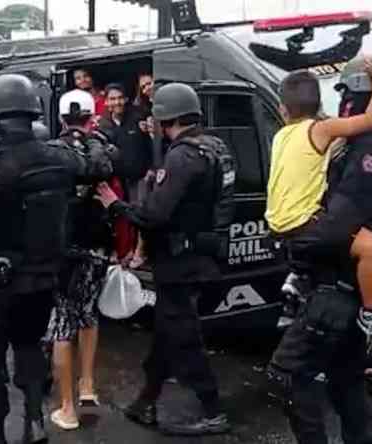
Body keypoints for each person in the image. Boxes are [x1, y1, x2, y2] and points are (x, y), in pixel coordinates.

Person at [0, 74, 116, 444]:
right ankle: (34, 421)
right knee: (29, 346)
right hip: (43, 282)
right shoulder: (60, 157)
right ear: (32, 111)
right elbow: (100, 166)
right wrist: (90, 137)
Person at [269, 56, 372, 444]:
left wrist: (295, 240)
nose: (341, 106)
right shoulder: (357, 148)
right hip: (339, 287)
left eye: (346, 96)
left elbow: (334, 230)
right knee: (343, 382)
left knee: (288, 373)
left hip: (340, 292)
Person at [96, 82, 236, 436]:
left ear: (165, 118)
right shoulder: (216, 147)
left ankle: (213, 410)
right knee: (167, 334)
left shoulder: (182, 155)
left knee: (184, 338)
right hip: (202, 256)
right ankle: (146, 400)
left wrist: (115, 204)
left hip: (180, 263)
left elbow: (155, 215)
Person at [46, 89, 116, 431]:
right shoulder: (101, 147)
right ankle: (88, 386)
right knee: (89, 312)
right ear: (91, 117)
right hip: (98, 245)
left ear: (60, 119)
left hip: (63, 247)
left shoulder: (49, 152)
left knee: (62, 322)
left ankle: (67, 408)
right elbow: (119, 163)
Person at [98, 83, 153, 267]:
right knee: (117, 215)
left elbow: (152, 144)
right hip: (117, 179)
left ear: (126, 99)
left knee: (139, 213)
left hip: (140, 175)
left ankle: (140, 250)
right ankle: (123, 250)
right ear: (106, 102)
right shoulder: (103, 123)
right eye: (112, 99)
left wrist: (151, 169)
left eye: (120, 97)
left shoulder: (139, 117)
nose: (117, 102)